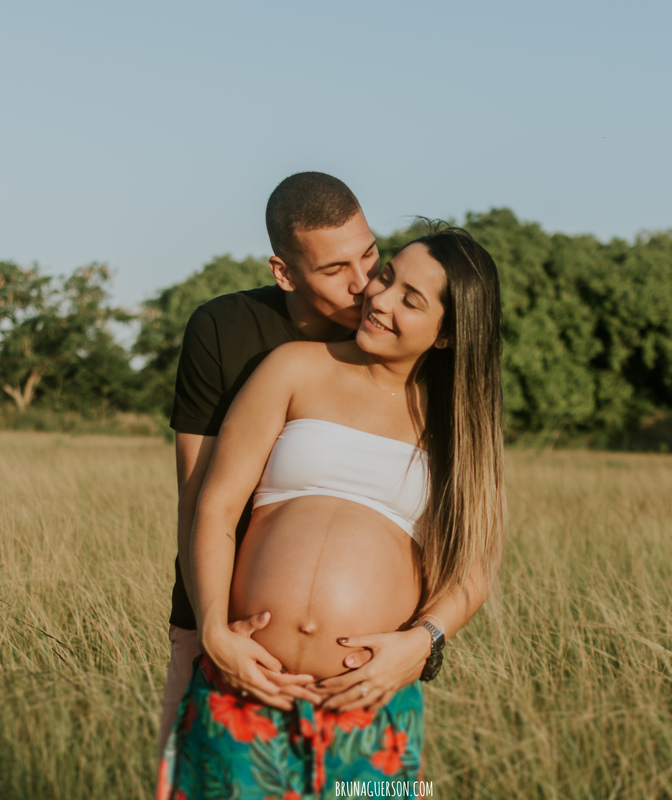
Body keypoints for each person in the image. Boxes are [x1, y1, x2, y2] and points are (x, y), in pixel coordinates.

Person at [158, 225, 505, 798]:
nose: (380, 299)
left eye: (410, 300)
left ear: (446, 335)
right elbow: (215, 506)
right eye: (386, 277)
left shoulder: (460, 429)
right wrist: (215, 632)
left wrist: (422, 644)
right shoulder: (295, 367)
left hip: (372, 705)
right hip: (247, 685)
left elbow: (475, 570)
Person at [160, 172, 385, 753]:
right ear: (283, 272)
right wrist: (211, 631)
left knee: (377, 796)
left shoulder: (398, 337)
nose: (363, 285)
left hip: (364, 676)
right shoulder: (223, 329)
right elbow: (197, 494)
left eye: (370, 255)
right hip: (229, 638)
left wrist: (425, 643)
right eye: (335, 270)